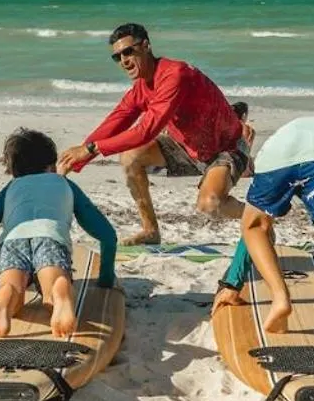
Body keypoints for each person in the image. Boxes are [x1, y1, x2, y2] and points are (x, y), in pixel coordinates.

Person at [55, 23, 251, 245]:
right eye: (117, 57)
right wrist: (77, 160)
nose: (124, 61)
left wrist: (91, 149)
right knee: (130, 157)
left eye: (128, 52)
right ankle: (150, 231)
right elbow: (116, 121)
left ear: (146, 46)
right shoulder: (141, 86)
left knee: (210, 205)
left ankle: (258, 217)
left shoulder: (174, 75)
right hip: (187, 148)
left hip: (226, 148)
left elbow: (146, 130)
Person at [212, 116, 314, 374]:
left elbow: (253, 229)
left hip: (276, 157)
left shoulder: (282, 135)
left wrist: (233, 283)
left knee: (254, 225)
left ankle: (280, 298)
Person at [0, 129, 119, 339]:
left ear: (13, 170)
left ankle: (6, 297)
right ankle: (58, 291)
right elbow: (107, 235)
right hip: (50, 238)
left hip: (13, 242)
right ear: (52, 165)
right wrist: (106, 279)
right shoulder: (65, 184)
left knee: (11, 287)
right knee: (52, 285)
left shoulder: (11, 189)